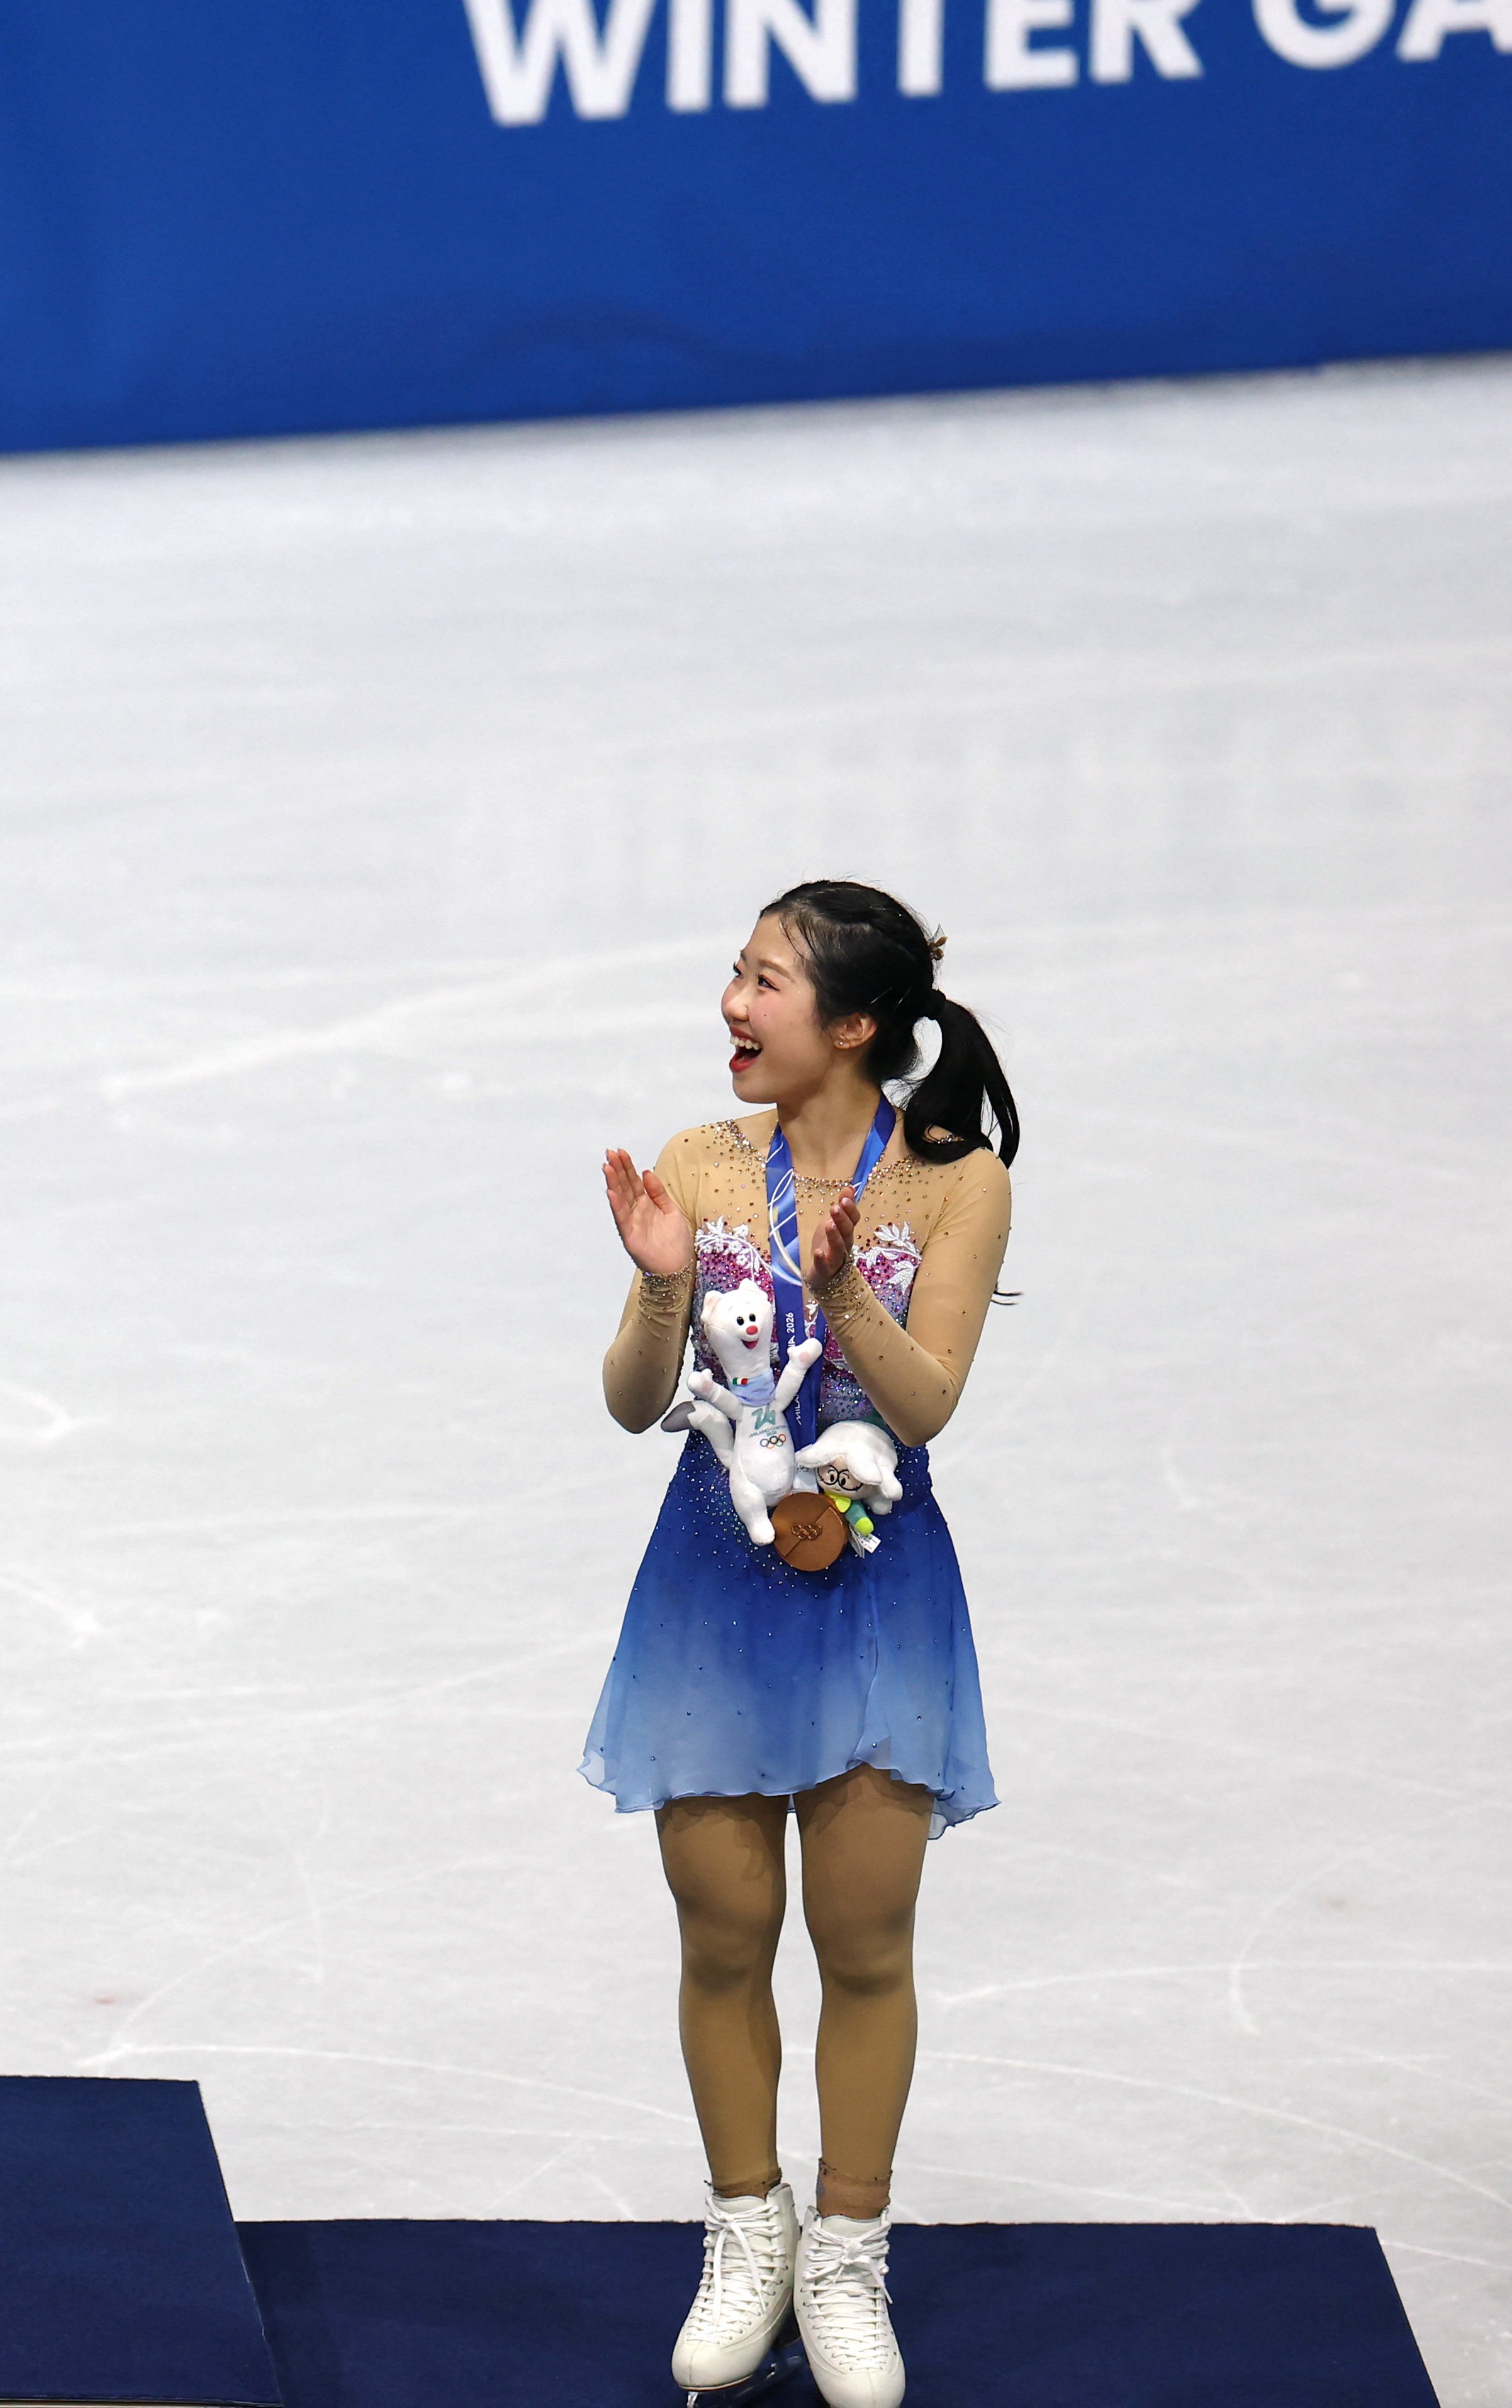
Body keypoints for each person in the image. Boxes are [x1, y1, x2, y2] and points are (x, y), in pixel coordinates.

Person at [586, 881, 1019, 2408]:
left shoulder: (954, 1182)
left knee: (866, 1941)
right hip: (715, 1592)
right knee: (721, 1933)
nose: (732, 1003)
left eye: (765, 980)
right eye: (737, 971)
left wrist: (840, 1292)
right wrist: (664, 1278)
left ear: (851, 1024)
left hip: (877, 1599)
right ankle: (745, 2227)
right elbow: (635, 1403)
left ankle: (845, 2247)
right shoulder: (702, 1164)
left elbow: (925, 1403)